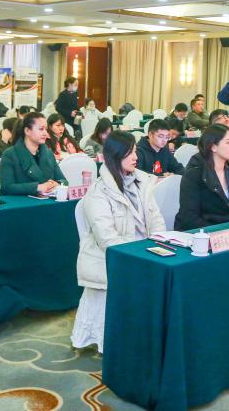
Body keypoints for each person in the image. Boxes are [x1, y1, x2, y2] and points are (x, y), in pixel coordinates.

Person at [72, 130, 165, 353]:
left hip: (143, 251)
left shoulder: (142, 182)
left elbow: (156, 219)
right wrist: (142, 252)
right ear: (115, 155)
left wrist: (159, 243)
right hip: (112, 257)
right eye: (129, 152)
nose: (136, 157)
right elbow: (108, 240)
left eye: (135, 151)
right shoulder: (98, 192)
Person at [176, 123, 229, 230]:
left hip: (227, 230)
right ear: (213, 147)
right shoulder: (194, 173)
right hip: (199, 232)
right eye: (228, 143)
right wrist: (219, 232)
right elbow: (189, 218)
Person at [0, 112, 67, 195]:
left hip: (47, 200)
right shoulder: (10, 154)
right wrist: (37, 187)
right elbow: (6, 187)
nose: (45, 133)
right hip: (20, 201)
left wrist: (58, 184)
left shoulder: (48, 154)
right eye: (41, 129)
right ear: (27, 131)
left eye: (46, 129)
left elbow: (64, 181)